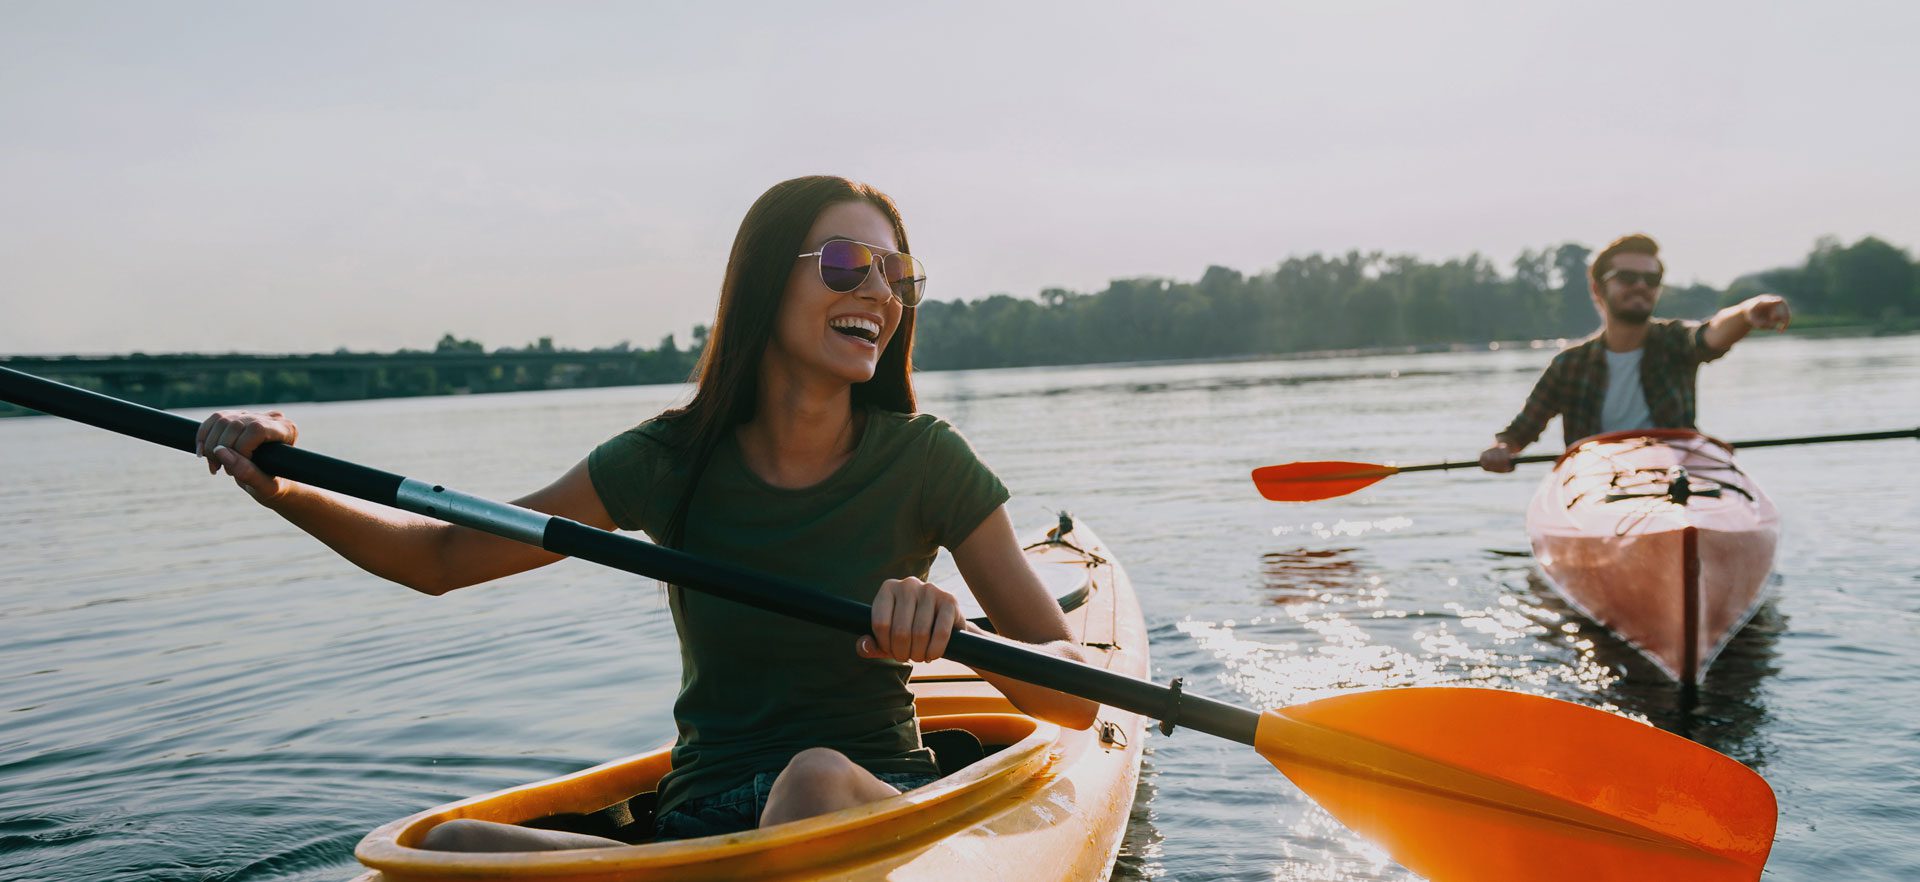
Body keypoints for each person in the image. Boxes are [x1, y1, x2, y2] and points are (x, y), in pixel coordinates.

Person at [193, 176, 1098, 849]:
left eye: (898, 274)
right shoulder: (667, 460)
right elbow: (439, 557)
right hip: (698, 826)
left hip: (865, 801)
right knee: (444, 844)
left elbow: (1070, 696)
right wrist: (284, 484)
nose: (880, 293)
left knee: (812, 779)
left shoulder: (927, 460)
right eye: (846, 263)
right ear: (762, 282)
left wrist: (950, 631)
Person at [1479, 234, 1792, 471]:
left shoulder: (1675, 342)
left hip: (1676, 475)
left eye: (1651, 279)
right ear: (1598, 289)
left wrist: (1748, 313)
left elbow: (1711, 334)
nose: (1641, 286)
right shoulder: (1569, 365)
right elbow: (1518, 434)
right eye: (1627, 278)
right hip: (1596, 482)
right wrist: (1501, 449)